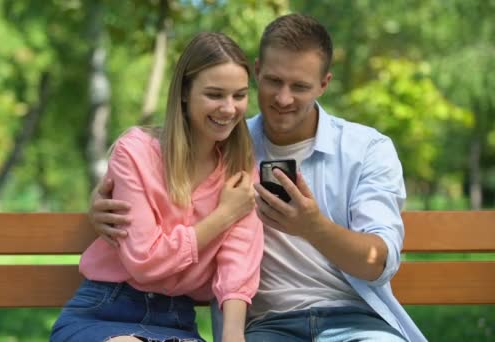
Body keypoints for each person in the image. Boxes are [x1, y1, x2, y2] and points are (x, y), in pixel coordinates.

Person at [90, 13, 427, 342]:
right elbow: (161, 170)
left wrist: (312, 226)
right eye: (273, 82)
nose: (283, 99)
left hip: (356, 319)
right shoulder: (228, 143)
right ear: (257, 72)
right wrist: (101, 200)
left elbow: (378, 262)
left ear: (324, 84)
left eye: (299, 87)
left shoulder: (367, 149)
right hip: (269, 325)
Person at [50, 32, 264, 342]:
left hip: (177, 322)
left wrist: (233, 336)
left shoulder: (241, 171)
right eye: (215, 95)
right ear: (185, 93)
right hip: (104, 311)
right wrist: (224, 215)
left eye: (239, 95)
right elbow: (145, 262)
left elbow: (238, 264)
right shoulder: (135, 152)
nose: (229, 108)